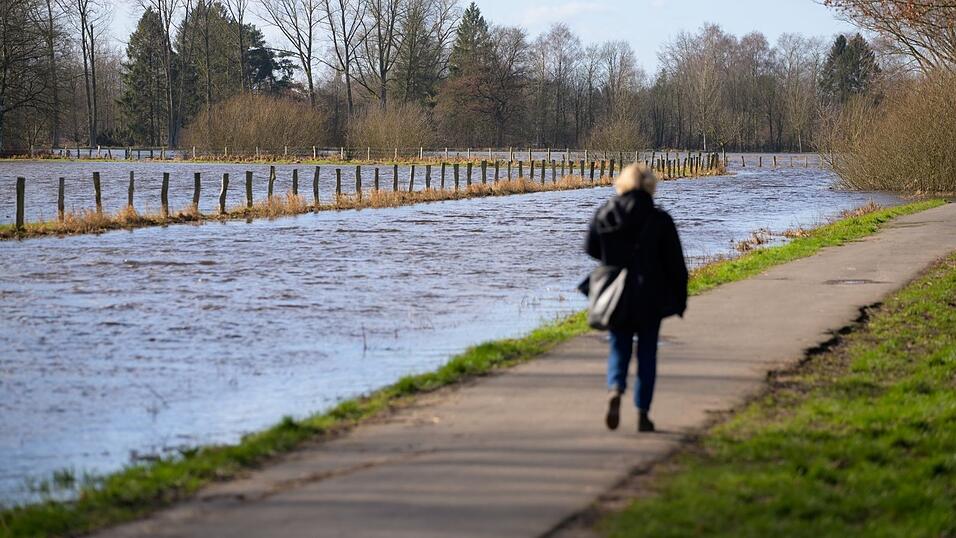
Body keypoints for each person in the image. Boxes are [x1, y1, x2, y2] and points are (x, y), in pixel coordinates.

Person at [585, 163, 688, 432]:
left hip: (616, 292)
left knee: (619, 344)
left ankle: (615, 388)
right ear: (650, 185)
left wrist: (610, 258)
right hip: (650, 293)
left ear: (623, 183)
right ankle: (643, 413)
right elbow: (676, 263)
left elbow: (590, 246)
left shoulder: (607, 212)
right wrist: (679, 298)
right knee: (647, 353)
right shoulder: (660, 219)